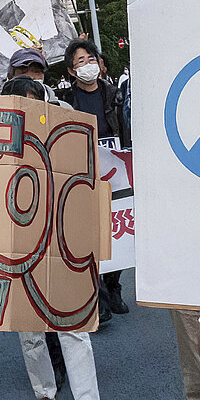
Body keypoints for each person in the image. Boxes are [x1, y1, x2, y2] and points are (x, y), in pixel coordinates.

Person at [0, 76, 116, 400]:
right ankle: (45, 397)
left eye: (35, 103)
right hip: (18, 242)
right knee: (30, 330)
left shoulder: (67, 129)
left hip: (62, 240)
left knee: (73, 324)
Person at [56, 38, 130, 317]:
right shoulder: (66, 101)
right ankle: (95, 290)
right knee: (88, 233)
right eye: (80, 62)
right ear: (72, 71)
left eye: (90, 59)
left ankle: (113, 285)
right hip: (82, 170)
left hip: (116, 168)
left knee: (117, 228)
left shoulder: (114, 94)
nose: (87, 66)